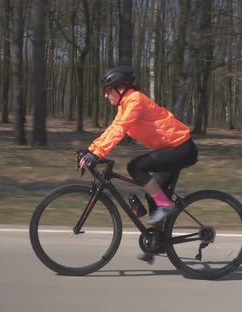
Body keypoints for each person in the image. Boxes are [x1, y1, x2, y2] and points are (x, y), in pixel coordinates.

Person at [78, 66, 199, 262]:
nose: (106, 95)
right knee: (153, 191)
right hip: (170, 150)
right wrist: (92, 150)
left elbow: (121, 129)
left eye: (108, 91)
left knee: (135, 167)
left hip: (181, 148)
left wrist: (97, 153)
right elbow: (114, 128)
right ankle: (156, 243)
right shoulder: (125, 105)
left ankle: (165, 208)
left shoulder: (135, 100)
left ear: (120, 87)